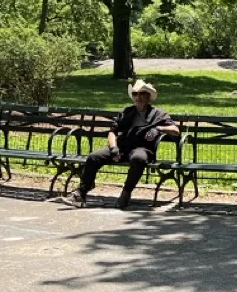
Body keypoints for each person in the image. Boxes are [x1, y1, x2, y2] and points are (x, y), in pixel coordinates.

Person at [66, 79, 180, 209]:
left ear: (148, 97)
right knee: (93, 157)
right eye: (135, 94)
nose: (138, 97)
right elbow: (112, 132)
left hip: (142, 148)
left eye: (142, 94)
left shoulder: (158, 114)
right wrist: (113, 148)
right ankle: (82, 192)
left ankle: (126, 193)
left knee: (138, 158)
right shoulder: (126, 112)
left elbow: (175, 130)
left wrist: (159, 129)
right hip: (121, 146)